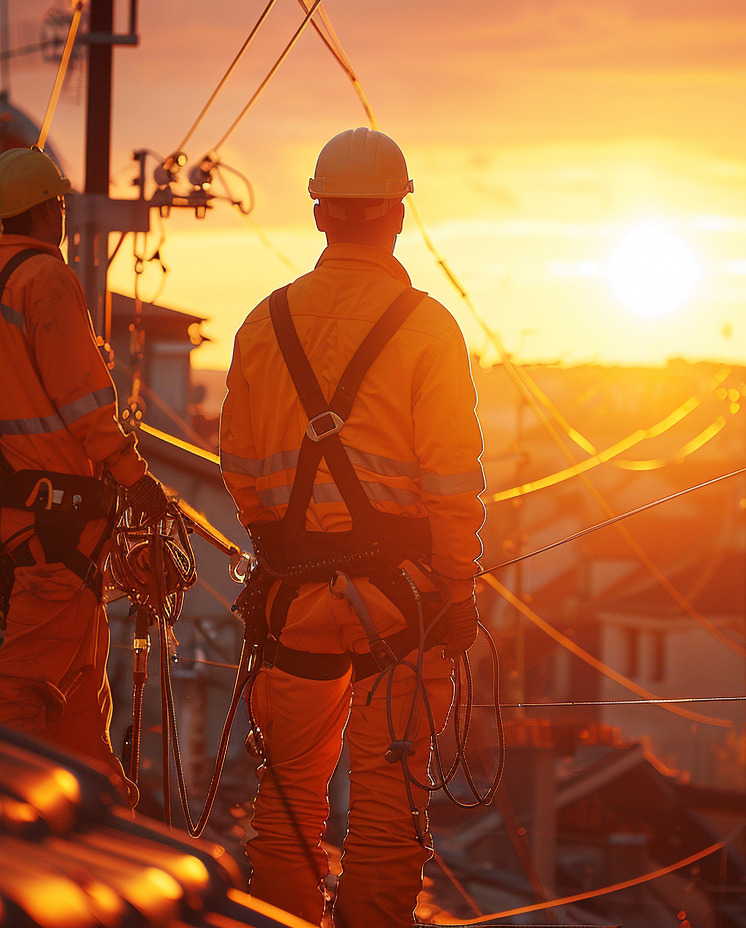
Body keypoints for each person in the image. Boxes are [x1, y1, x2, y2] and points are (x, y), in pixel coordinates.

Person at [220, 127, 485, 927]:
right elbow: (451, 480)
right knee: (386, 812)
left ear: (320, 215)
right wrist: (456, 587)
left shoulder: (263, 326)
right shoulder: (427, 329)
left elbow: (239, 466)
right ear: (397, 217)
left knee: (289, 803)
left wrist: (286, 547)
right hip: (402, 602)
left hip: (292, 596)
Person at [0, 146, 167, 804]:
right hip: (59, 527)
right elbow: (84, 403)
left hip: (41, 525)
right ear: (50, 210)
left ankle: (102, 817)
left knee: (73, 707)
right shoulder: (46, 279)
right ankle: (0, 813)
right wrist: (136, 478)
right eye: (63, 208)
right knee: (22, 696)